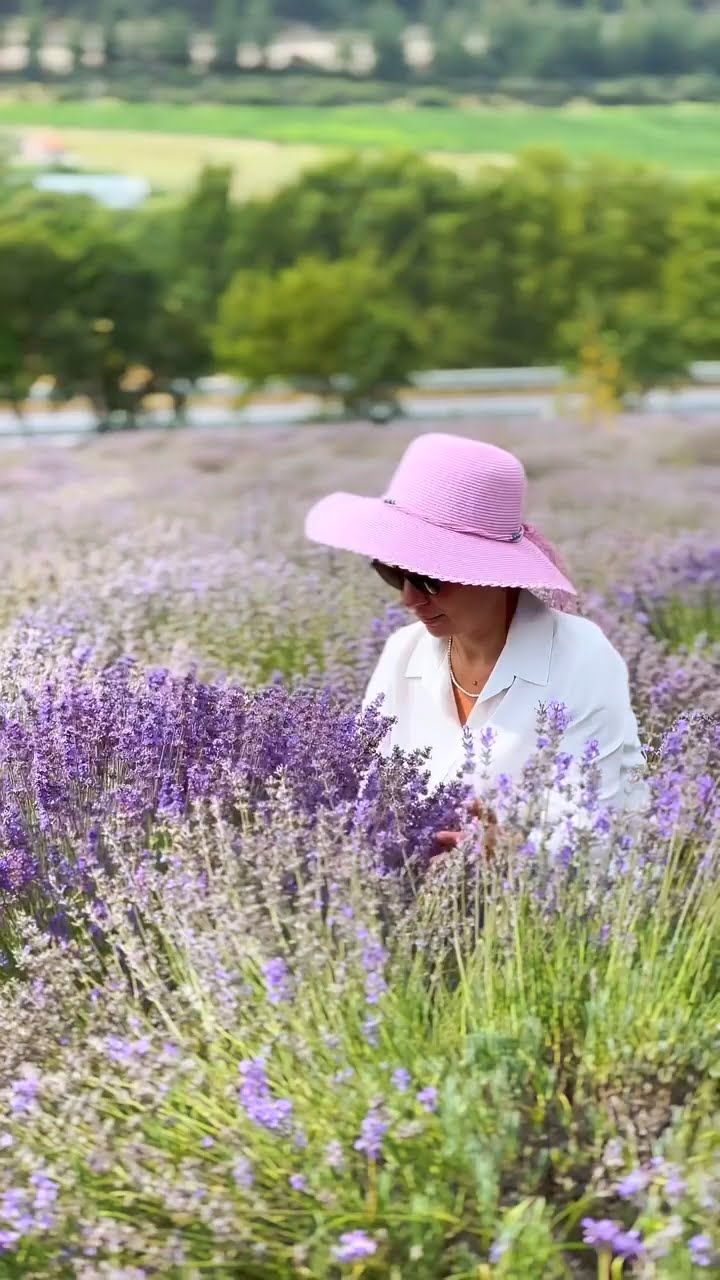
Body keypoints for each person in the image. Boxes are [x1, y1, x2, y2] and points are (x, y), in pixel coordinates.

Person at [305, 432, 647, 853]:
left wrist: (504, 850)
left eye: (429, 580)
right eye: (393, 574)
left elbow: (600, 829)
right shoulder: (402, 652)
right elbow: (366, 793)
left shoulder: (580, 657)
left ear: (494, 574)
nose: (407, 599)